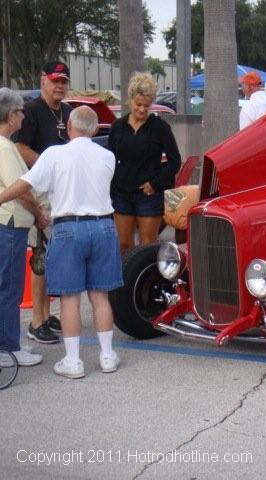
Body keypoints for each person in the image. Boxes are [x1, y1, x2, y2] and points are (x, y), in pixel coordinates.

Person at [0, 106, 123, 379]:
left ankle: (73, 361)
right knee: (100, 296)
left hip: (68, 228)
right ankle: (106, 356)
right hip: (103, 226)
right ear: (94, 129)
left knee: (69, 299)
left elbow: (25, 184)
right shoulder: (107, 156)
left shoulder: (54, 154)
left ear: (69, 126)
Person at [14, 60, 73, 344]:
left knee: (56, 258)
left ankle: (48, 315)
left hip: (63, 195)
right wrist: (49, 164)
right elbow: (19, 147)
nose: (59, 85)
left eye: (63, 81)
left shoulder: (69, 111)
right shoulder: (32, 111)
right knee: (41, 258)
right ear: (43, 81)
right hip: (39, 195)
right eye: (55, 80)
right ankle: (36, 321)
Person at [0, 88, 49, 367]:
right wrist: (39, 213)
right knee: (9, 288)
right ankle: (8, 348)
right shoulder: (6, 147)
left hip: (9, 224)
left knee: (7, 286)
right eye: (19, 111)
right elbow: (20, 189)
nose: (23, 116)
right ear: (10, 116)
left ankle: (9, 343)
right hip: (10, 224)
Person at [108, 72, 181, 253]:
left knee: (147, 245)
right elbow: (109, 160)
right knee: (123, 244)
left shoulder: (160, 127)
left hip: (148, 195)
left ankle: (147, 280)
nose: (141, 109)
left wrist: (155, 184)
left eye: (146, 106)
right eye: (138, 104)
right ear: (130, 100)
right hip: (121, 193)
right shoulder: (117, 127)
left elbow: (175, 161)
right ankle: (126, 281)